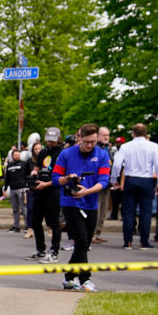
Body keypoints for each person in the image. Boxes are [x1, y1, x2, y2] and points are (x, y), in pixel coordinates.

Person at [52, 123, 111, 291]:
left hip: (91, 202)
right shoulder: (66, 154)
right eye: (86, 142)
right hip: (71, 202)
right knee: (81, 240)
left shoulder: (102, 154)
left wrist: (87, 191)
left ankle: (69, 277)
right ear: (79, 138)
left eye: (93, 141)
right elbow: (55, 178)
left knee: (83, 245)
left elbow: (104, 181)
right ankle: (85, 279)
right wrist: (67, 178)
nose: (90, 145)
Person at [111, 123, 158, 251]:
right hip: (147, 180)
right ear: (146, 133)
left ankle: (127, 241)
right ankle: (144, 242)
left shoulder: (125, 146)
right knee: (146, 212)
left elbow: (117, 165)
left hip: (131, 179)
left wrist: (114, 179)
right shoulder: (153, 146)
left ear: (133, 133)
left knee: (128, 212)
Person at [25, 127, 63, 263]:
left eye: (53, 141)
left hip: (54, 190)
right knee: (35, 221)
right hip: (40, 190)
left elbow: (63, 175)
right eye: (48, 141)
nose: (50, 143)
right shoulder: (43, 152)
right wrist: (34, 174)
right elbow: (37, 167)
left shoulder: (62, 152)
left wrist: (46, 183)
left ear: (59, 139)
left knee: (53, 223)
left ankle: (54, 251)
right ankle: (40, 249)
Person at [91, 126, 116, 243]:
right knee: (96, 209)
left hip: (107, 183)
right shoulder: (95, 149)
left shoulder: (107, 148)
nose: (106, 137)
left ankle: (97, 233)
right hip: (98, 183)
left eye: (107, 135)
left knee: (103, 210)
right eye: (104, 135)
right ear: (98, 136)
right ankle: (92, 233)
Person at [3, 143, 30, 233]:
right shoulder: (9, 165)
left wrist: (26, 184)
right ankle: (16, 226)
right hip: (13, 189)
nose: (17, 156)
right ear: (12, 156)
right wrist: (5, 188)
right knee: (15, 209)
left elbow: (28, 175)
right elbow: (7, 178)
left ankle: (27, 226)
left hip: (21, 189)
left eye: (19, 155)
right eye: (15, 155)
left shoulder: (24, 164)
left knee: (24, 208)